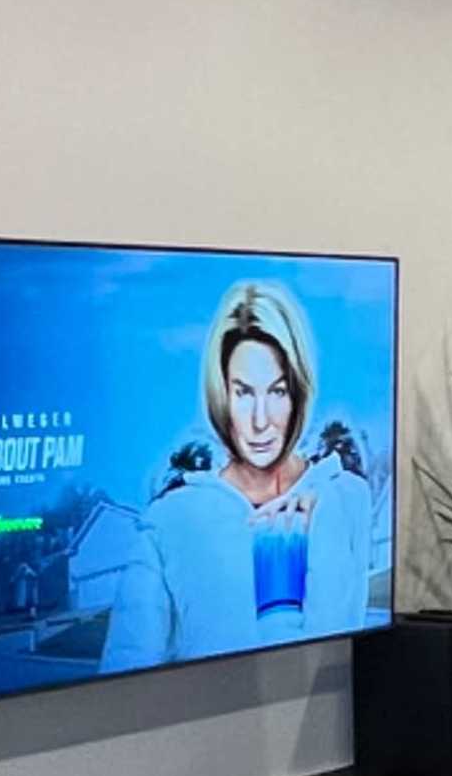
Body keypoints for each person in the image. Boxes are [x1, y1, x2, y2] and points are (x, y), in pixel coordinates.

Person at [81, 277, 387, 664]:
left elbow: (346, 650)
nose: (261, 420)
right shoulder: (171, 519)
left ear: (299, 394)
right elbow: (125, 670)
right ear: (221, 394)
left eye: (277, 392)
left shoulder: (347, 495)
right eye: (243, 393)